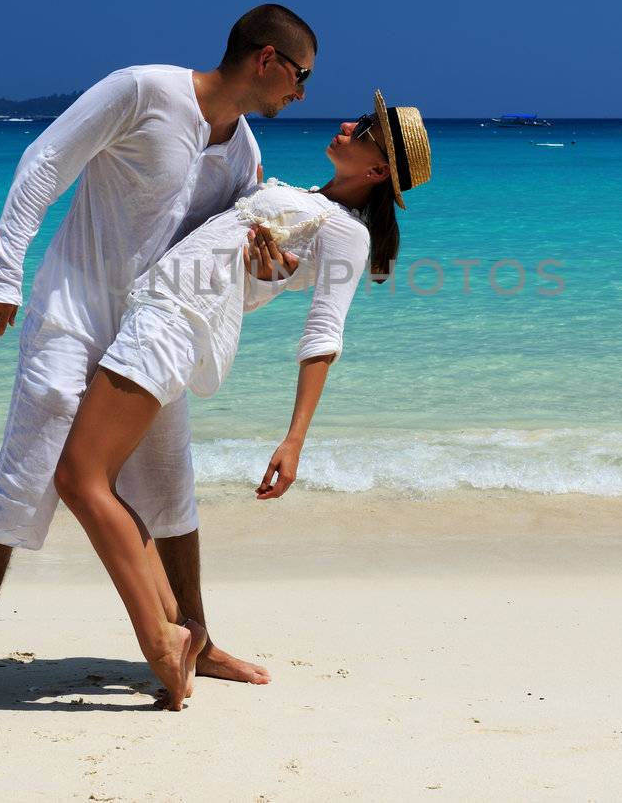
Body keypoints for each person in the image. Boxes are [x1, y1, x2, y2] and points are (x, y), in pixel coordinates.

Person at [0, 4, 317, 713]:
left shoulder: (246, 155)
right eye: (300, 75)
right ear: (265, 59)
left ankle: (200, 635)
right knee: (23, 475)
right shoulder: (144, 90)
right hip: (70, 316)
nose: (303, 94)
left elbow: (227, 264)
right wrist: (4, 270)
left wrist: (269, 265)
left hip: (152, 333)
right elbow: (46, 160)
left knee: (171, 484)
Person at [52, 93, 432, 709]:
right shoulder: (312, 201)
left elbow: (323, 335)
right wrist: (270, 272)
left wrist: (294, 439)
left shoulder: (347, 234)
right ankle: (190, 638)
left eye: (360, 127)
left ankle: (162, 645)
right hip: (158, 315)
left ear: (379, 169)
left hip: (175, 323)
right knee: (146, 496)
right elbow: (242, 262)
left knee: (79, 477)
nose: (343, 123)